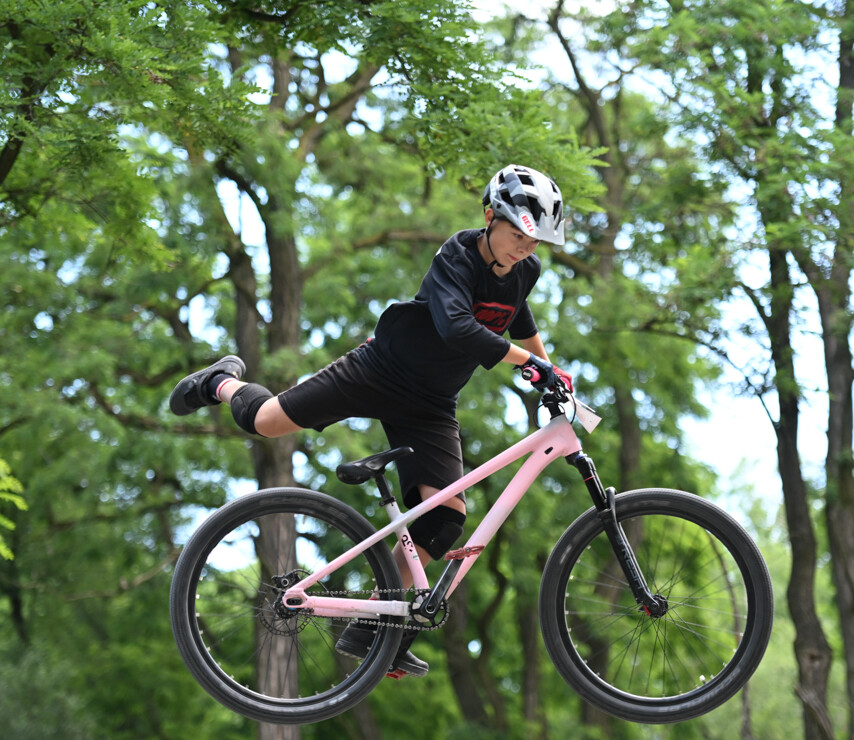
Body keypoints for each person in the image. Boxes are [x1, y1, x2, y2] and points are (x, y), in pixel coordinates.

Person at [169, 164, 573, 677]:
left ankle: (372, 622)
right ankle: (220, 382)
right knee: (268, 421)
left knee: (445, 517)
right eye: (516, 235)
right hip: (379, 369)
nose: (523, 248)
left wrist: (551, 368)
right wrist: (528, 364)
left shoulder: (526, 272)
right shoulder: (457, 255)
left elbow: (519, 319)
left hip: (431, 404)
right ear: (490, 217)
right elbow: (456, 328)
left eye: (533, 242)